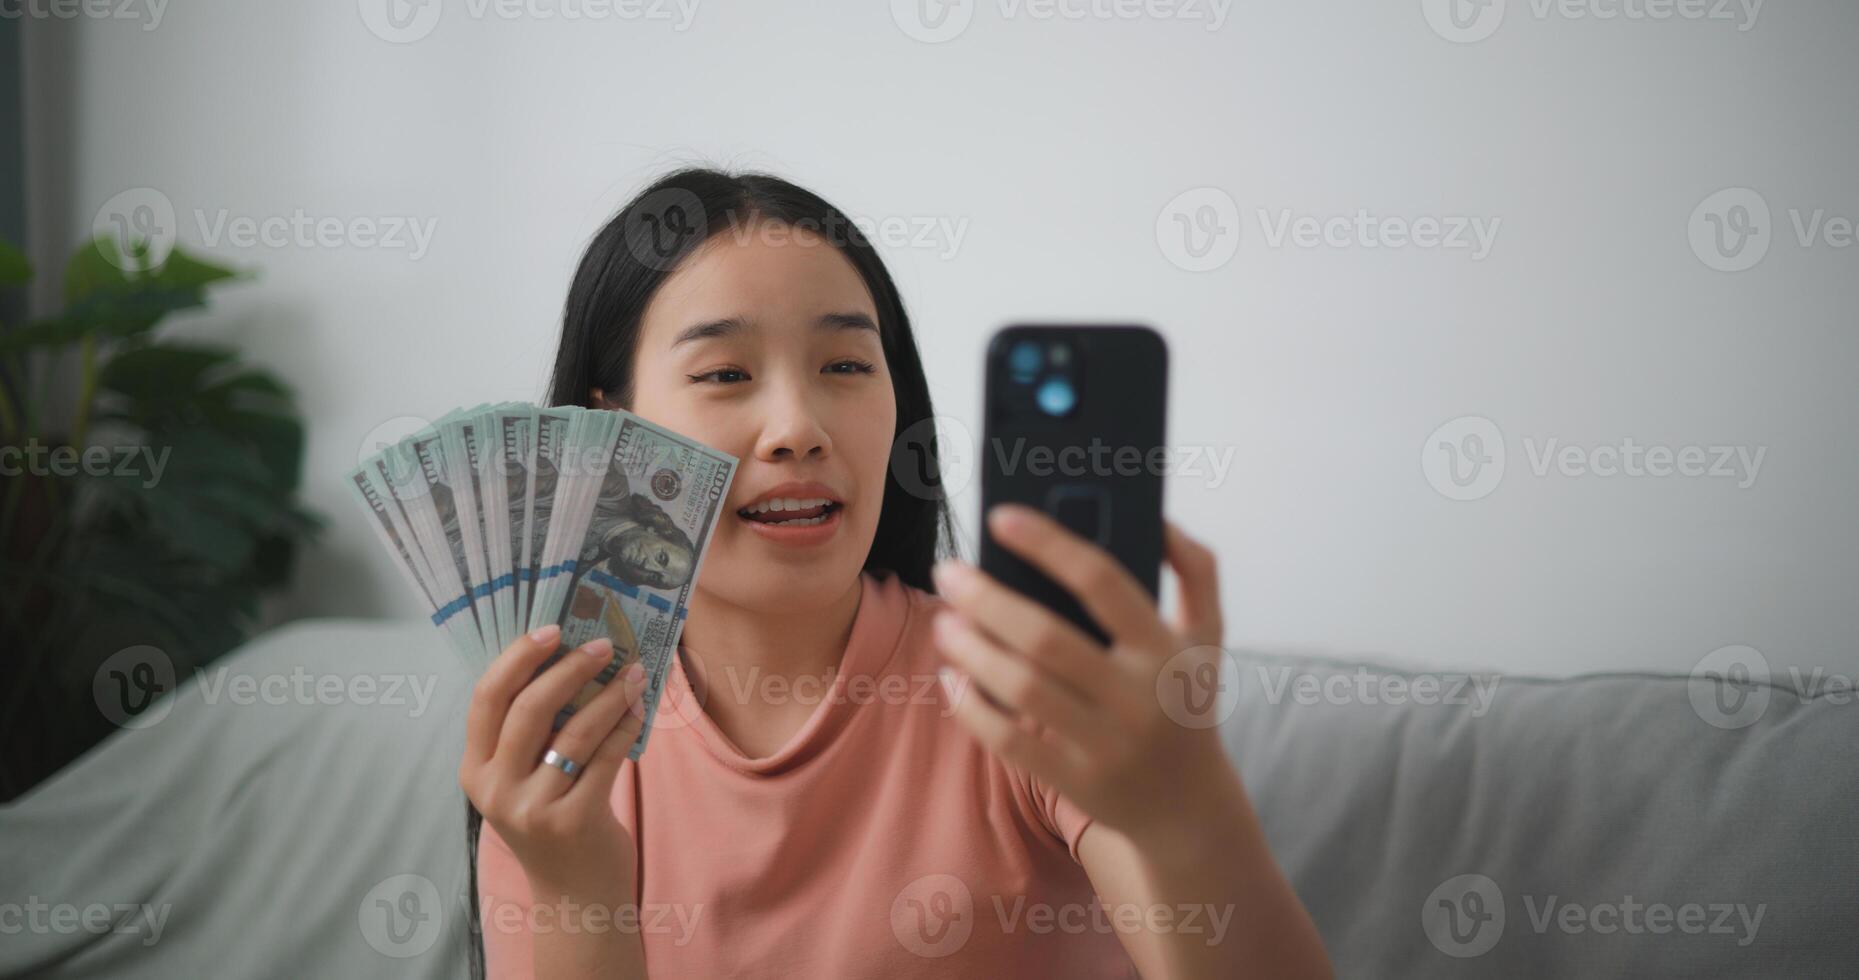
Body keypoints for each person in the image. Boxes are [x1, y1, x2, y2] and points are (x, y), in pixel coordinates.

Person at [459, 168, 1332, 978]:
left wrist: (1187, 810)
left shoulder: (1015, 693)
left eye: (845, 365)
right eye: (724, 373)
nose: (797, 427)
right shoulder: (560, 743)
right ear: (610, 429)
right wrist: (581, 895)